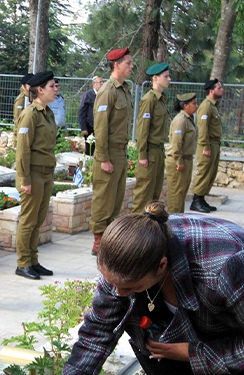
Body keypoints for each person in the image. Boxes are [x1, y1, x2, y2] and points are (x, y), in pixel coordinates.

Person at [63, 200, 244, 375]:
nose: (116, 293)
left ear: (161, 265)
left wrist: (192, 352)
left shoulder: (225, 267)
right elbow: (97, 333)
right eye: (110, 282)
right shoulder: (124, 264)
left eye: (130, 287)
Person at [89, 48, 133, 256]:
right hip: (108, 153)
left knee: (116, 198)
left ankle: (110, 238)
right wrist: (104, 158)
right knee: (104, 198)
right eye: (128, 63)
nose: (131, 67)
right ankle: (99, 240)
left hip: (120, 152)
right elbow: (101, 128)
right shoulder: (107, 91)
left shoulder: (124, 90)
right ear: (117, 65)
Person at [14, 71, 58, 280]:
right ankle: (23, 263)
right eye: (52, 86)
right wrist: (24, 180)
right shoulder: (30, 114)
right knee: (28, 220)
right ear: (40, 89)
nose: (55, 89)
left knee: (38, 220)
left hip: (45, 173)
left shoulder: (47, 113)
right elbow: (22, 149)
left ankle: (33, 260)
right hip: (33, 174)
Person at [131, 63, 171, 213]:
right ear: (155, 78)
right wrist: (142, 155)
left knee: (154, 196)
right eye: (166, 76)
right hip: (150, 151)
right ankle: (134, 231)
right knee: (143, 196)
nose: (169, 79)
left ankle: (150, 231)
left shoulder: (161, 99)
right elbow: (142, 129)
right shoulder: (149, 100)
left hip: (159, 151)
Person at [190, 78, 224, 213]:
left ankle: (202, 198)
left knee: (211, 172)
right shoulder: (206, 106)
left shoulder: (214, 106)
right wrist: (205, 146)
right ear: (211, 91)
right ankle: (196, 200)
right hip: (207, 143)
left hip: (215, 143)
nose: (222, 90)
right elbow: (202, 128)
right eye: (219, 88)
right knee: (204, 172)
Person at [165, 93, 198, 213]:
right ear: (185, 106)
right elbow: (176, 143)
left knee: (182, 193)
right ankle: (173, 224)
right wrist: (179, 161)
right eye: (194, 103)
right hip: (178, 160)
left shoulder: (189, 119)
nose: (196, 106)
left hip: (186, 159)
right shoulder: (180, 120)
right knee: (176, 195)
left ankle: (179, 221)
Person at [78, 76, 103, 156]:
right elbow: (82, 111)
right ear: (94, 84)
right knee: (90, 148)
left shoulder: (103, 95)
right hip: (89, 126)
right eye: (100, 82)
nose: (102, 84)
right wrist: (83, 127)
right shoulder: (88, 95)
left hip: (100, 126)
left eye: (103, 82)